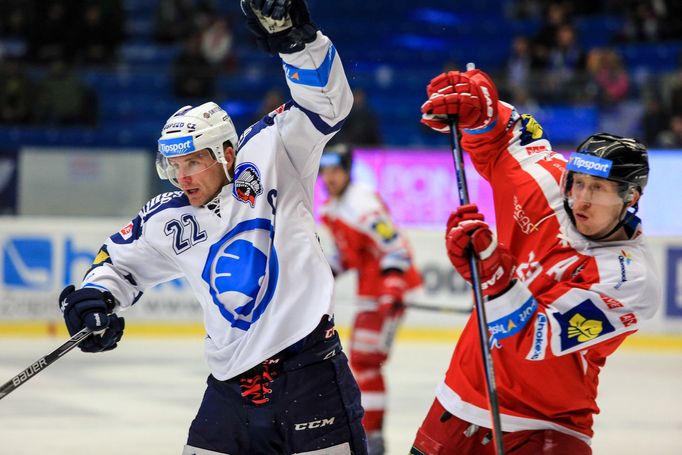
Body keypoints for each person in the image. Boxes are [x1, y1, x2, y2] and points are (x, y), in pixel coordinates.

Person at [57, 1, 367, 454]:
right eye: (174, 165)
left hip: (311, 374)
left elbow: (329, 105)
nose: (183, 176)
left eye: (194, 162)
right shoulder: (169, 218)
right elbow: (119, 265)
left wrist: (298, 44)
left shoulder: (274, 152)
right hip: (230, 390)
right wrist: (93, 300)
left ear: (225, 152)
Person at [411, 68, 660, 454]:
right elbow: (504, 138)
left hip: (545, 427)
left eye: (598, 189)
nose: (581, 199)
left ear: (631, 198)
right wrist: (481, 108)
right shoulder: (547, 187)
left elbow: (534, 339)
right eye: (578, 183)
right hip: (457, 402)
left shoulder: (630, 279)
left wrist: (494, 273)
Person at [318, 144, 422, 454]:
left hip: (390, 290)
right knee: (362, 362)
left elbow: (395, 247)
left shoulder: (362, 205)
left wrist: (392, 288)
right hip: (372, 292)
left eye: (336, 170)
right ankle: (370, 436)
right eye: (325, 171)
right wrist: (321, 275)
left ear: (348, 171)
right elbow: (350, 257)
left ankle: (373, 439)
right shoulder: (333, 208)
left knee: (366, 362)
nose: (329, 177)